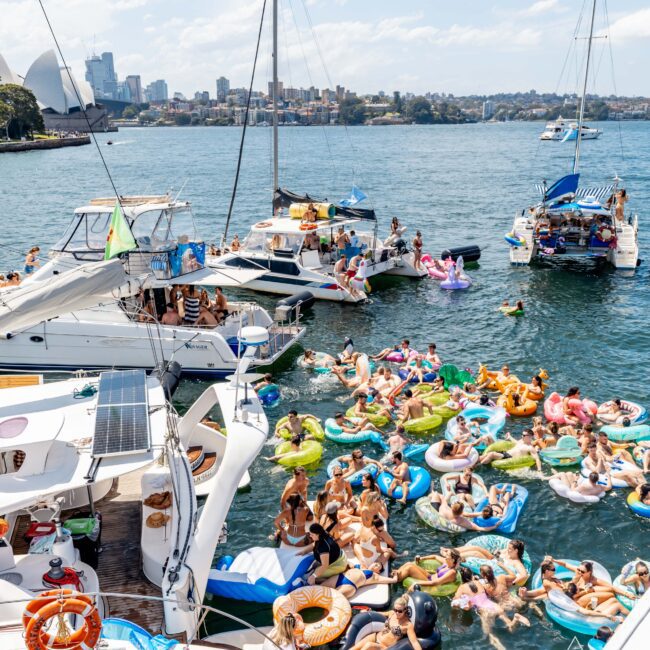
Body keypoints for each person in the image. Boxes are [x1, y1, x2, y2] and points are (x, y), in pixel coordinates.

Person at [347, 596, 422, 650]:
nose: (397, 613)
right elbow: (379, 613)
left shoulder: (408, 625)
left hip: (384, 646)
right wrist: (368, 611)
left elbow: (414, 642)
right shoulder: (391, 613)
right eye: (395, 609)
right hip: (376, 636)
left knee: (368, 646)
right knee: (354, 648)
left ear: (405, 610)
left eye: (400, 611)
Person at [453, 539, 529, 587]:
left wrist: (513, 583)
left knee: (475, 553)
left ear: (516, 551)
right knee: (477, 548)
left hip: (491, 565)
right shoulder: (507, 552)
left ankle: (453, 557)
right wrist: (497, 553)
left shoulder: (516, 562)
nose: (507, 549)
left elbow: (524, 575)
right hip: (492, 559)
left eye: (510, 548)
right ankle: (452, 551)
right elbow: (499, 552)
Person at [393, 548, 461, 593]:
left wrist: (417, 583)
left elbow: (435, 583)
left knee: (410, 568)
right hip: (429, 576)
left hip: (430, 582)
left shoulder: (452, 572)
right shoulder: (446, 562)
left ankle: (396, 579)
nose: (445, 555)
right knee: (409, 563)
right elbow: (435, 556)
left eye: (447, 554)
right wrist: (422, 558)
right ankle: (396, 573)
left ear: (452, 560)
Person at [321, 563, 397, 599]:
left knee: (331, 599)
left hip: (349, 585)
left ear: (378, 572)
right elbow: (348, 563)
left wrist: (395, 574)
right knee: (319, 588)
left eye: (377, 566)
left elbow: (394, 580)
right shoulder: (361, 566)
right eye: (375, 563)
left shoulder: (375, 576)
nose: (374, 565)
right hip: (341, 577)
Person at [543, 468, 612, 497]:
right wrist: (609, 477)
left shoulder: (584, 486)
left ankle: (544, 478)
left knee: (562, 474)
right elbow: (609, 487)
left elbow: (573, 490)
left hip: (570, 489)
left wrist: (576, 480)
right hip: (579, 489)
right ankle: (556, 474)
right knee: (569, 473)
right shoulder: (599, 487)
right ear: (597, 480)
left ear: (589, 478)